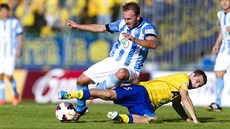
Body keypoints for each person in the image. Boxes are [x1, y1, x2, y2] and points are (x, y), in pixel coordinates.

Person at [65, 2, 157, 121]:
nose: (126, 21)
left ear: (138, 17)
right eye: (125, 18)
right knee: (81, 81)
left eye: (129, 19)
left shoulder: (147, 27)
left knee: (121, 72)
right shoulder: (122, 24)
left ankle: (100, 90)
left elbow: (152, 43)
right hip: (113, 61)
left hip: (131, 68)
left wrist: (134, 39)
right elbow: (102, 27)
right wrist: (79, 26)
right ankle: (81, 108)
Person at [59, 69, 207, 124]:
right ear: (192, 75)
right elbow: (185, 98)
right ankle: (70, 94)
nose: (197, 85)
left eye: (199, 85)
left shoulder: (179, 88)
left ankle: (120, 118)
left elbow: (177, 104)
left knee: (153, 119)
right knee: (109, 94)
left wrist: (185, 118)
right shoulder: (183, 78)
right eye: (198, 81)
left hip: (147, 105)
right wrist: (195, 120)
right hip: (142, 91)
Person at [206, 0, 230, 111]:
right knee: (218, 73)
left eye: (227, 0)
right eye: (222, 0)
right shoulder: (220, 14)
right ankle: (217, 103)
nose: (224, 2)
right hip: (224, 49)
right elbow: (222, 29)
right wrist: (217, 43)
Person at [0, 3, 23, 106]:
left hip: (10, 53)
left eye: (5, 10)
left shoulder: (14, 22)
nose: (4, 12)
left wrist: (19, 49)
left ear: (8, 11)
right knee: (0, 75)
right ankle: (2, 98)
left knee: (9, 75)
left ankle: (15, 94)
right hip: (1, 53)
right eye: (2, 10)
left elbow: (19, 36)